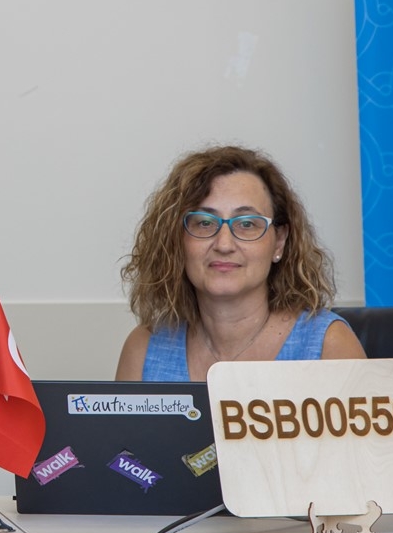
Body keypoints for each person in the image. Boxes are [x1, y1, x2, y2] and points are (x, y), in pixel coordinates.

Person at [115, 145, 364, 382]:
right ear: (177, 240)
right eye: (205, 223)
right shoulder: (144, 350)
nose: (224, 245)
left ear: (279, 242)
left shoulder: (330, 347)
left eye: (246, 224)